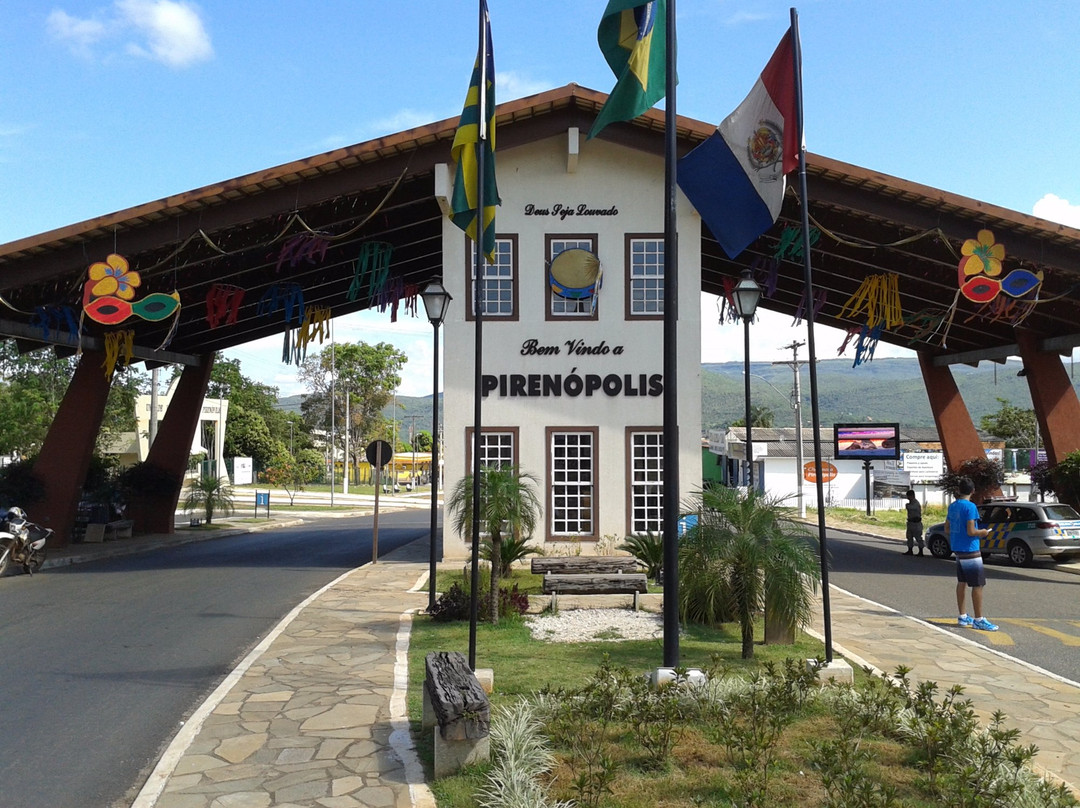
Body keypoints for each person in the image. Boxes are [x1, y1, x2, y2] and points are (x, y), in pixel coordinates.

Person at [944, 477, 997, 631]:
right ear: (973, 491)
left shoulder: (952, 506)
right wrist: (983, 532)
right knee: (978, 584)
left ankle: (962, 616)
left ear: (959, 490)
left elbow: (947, 528)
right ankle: (979, 619)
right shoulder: (971, 507)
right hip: (970, 549)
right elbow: (971, 531)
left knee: (962, 582)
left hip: (957, 548)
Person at [903, 489, 924, 555]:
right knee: (909, 537)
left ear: (912, 496)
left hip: (916, 523)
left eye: (908, 496)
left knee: (918, 537)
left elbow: (910, 507)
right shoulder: (910, 503)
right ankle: (910, 550)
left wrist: (907, 505)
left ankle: (921, 551)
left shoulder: (916, 503)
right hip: (910, 522)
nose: (908, 498)